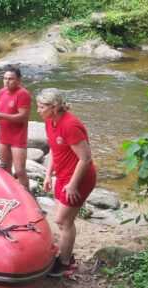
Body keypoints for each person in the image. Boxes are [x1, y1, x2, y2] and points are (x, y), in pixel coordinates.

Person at [35, 88, 97, 277]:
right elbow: (54, 150)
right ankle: (67, 258)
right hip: (63, 176)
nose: (38, 110)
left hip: (79, 179)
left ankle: (64, 264)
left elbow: (85, 158)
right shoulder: (49, 121)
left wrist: (73, 185)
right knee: (64, 222)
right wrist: (48, 175)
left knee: (63, 221)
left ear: (54, 107)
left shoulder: (70, 125)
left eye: (42, 106)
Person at [0, 67, 31, 190]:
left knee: (20, 170)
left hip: (18, 137)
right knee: (5, 167)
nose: (7, 81)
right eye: (5, 78)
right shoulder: (1, 92)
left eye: (11, 79)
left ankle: (28, 196)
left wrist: (0, 115)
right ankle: (11, 192)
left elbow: (23, 116)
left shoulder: (23, 94)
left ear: (19, 80)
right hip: (4, 136)